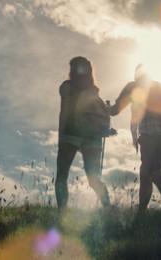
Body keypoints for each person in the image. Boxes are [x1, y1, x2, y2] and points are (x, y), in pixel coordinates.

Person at [108, 64, 161, 213]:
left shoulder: (133, 86)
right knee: (145, 172)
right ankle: (141, 212)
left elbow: (115, 110)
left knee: (154, 173)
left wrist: (104, 108)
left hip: (150, 135)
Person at [56, 56, 110, 210]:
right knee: (93, 179)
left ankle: (62, 212)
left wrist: (61, 136)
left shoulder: (67, 86)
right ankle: (109, 209)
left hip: (70, 134)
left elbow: (64, 111)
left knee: (61, 177)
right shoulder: (94, 92)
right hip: (93, 138)